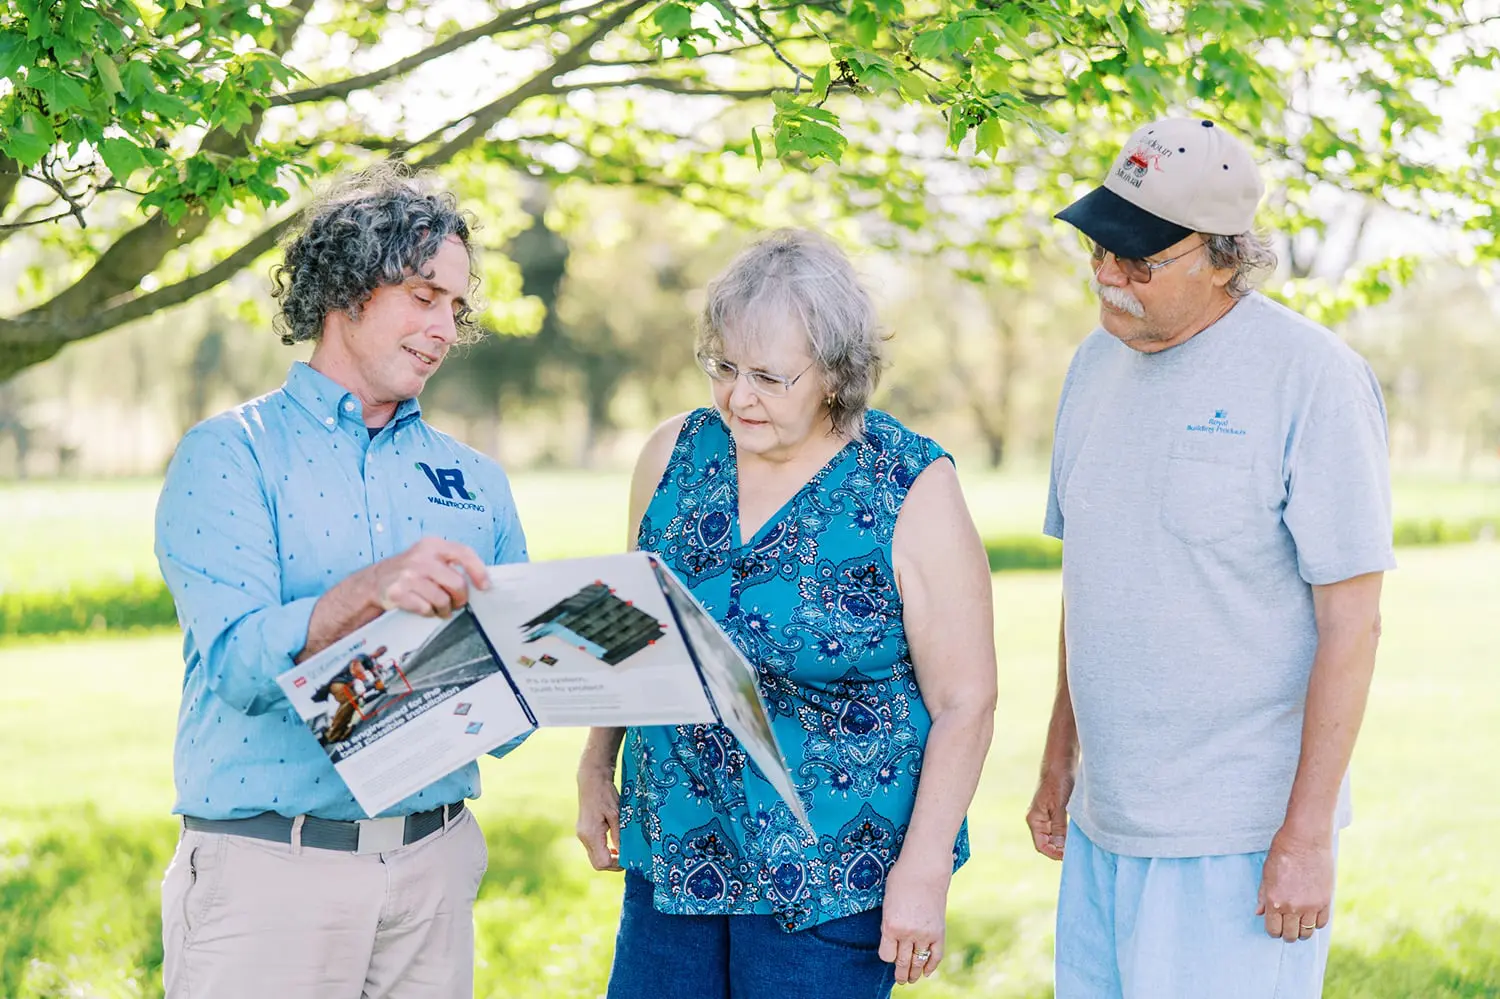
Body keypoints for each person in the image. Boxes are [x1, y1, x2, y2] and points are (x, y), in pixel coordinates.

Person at [574, 229, 998, 998]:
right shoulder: (674, 453)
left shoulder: (909, 484)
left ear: (837, 373)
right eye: (725, 367)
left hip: (831, 869)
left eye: (770, 377)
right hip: (677, 844)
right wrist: (597, 762)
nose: (739, 396)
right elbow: (635, 630)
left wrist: (924, 867)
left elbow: (965, 699)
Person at [1030, 117, 1395, 998]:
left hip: (1239, 840)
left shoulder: (1311, 377)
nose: (1109, 277)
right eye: (1099, 248)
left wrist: (1305, 840)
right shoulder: (1091, 367)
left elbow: (1354, 621)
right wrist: (1057, 761)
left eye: (1141, 261)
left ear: (1225, 258)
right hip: (1106, 827)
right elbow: (1096, 582)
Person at [154, 165, 529, 999]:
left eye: (456, 309)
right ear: (350, 284)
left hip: (435, 868)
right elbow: (241, 667)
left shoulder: (476, 479)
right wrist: (372, 591)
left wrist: (570, 651)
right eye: (424, 295)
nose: (444, 327)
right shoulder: (230, 454)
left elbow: (510, 718)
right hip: (269, 875)